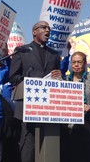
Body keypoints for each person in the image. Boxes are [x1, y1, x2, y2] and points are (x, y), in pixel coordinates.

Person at [9, 21, 62, 162]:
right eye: (43, 28)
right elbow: (13, 77)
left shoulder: (55, 54)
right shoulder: (22, 51)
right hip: (28, 105)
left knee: (48, 145)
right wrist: (32, 80)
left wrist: (59, 77)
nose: (47, 30)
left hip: (49, 106)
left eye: (49, 28)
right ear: (34, 32)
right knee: (29, 146)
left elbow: (57, 78)